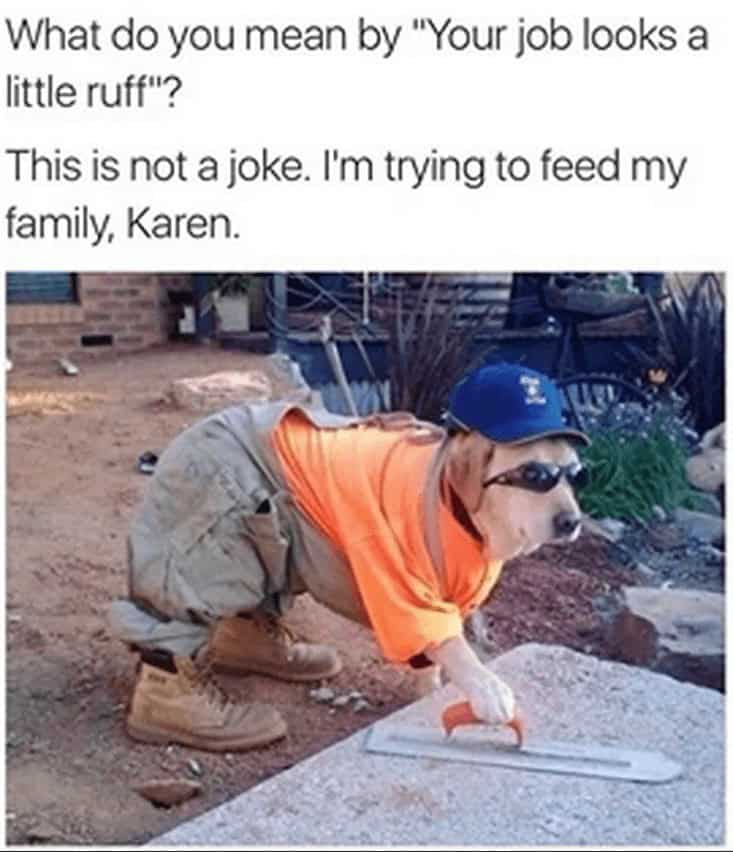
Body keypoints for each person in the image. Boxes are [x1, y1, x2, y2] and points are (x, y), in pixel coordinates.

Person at [109, 362, 588, 752]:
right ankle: (165, 688)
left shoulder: (463, 509)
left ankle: (243, 637)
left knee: (280, 540)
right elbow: (411, 597)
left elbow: (434, 596)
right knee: (222, 542)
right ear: (471, 465)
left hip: (286, 472)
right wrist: (475, 679)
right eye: (536, 476)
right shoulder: (412, 501)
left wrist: (431, 687)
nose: (567, 507)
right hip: (233, 459)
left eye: (571, 474)